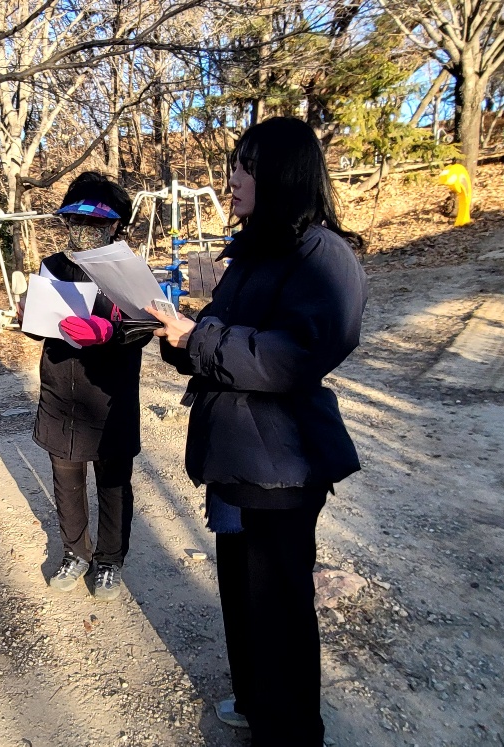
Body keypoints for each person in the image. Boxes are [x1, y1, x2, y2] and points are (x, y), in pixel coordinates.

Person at [147, 117, 368, 744]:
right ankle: (254, 703)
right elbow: (215, 338)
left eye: (244, 166)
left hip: (283, 461)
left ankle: (293, 732)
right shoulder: (252, 249)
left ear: (280, 173)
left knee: (280, 609)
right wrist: (173, 329)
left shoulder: (321, 254)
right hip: (237, 455)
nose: (232, 179)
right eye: (234, 166)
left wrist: (202, 337)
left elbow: (295, 354)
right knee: (243, 598)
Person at [27, 172, 151, 602]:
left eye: (95, 224)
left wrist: (110, 332)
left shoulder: (129, 270)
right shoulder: (53, 266)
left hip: (111, 395)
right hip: (62, 390)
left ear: (116, 225)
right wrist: (31, 314)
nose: (84, 233)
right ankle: (75, 551)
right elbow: (36, 325)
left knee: (114, 482)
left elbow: (146, 325)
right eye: (75, 223)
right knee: (66, 477)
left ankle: (111, 558)